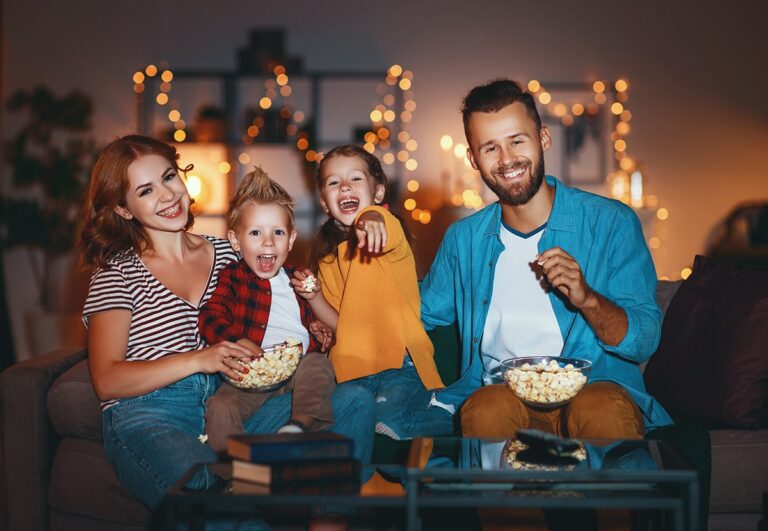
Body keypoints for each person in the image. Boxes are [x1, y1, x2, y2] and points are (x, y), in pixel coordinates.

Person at [78, 135, 375, 515]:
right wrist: (202, 359)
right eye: (146, 190)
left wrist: (311, 324)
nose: (168, 196)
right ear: (123, 208)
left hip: (230, 407)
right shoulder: (116, 274)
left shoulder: (227, 251)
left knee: (355, 403)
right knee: (207, 486)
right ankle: (270, 488)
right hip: (153, 415)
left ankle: (313, 510)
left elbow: (279, 301)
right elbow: (107, 379)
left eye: (169, 177)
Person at [420, 79, 673, 441]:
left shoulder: (610, 222)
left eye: (517, 141)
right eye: (490, 148)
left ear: (543, 139)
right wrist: (329, 308)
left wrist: (586, 298)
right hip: (500, 395)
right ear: (473, 158)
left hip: (595, 390)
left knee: (599, 407)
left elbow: (644, 340)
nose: (507, 160)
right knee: (485, 408)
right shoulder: (464, 241)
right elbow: (418, 313)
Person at [308, 144, 452, 440]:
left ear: (377, 194)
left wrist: (372, 217)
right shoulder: (328, 259)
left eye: (355, 179)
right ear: (325, 202)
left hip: (400, 363)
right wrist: (314, 298)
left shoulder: (388, 231)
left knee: (388, 423)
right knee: (344, 423)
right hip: (352, 369)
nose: (345, 186)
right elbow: (339, 323)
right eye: (334, 182)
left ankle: (452, 416)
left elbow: (378, 222)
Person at [198, 167, 338, 453]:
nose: (268, 241)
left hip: (299, 365)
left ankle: (299, 424)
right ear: (236, 242)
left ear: (291, 239)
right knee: (220, 407)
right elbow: (210, 316)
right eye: (255, 233)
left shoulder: (299, 277)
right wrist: (238, 342)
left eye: (277, 232)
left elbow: (319, 324)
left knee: (318, 366)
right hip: (251, 375)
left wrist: (318, 328)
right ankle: (231, 473)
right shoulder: (234, 277)